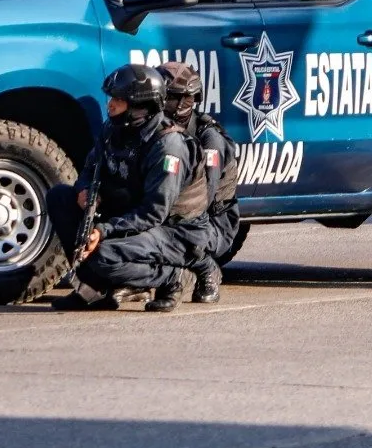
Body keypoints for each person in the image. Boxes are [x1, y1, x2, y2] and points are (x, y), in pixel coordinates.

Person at [48, 64, 209, 312]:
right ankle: (93, 291)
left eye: (119, 100)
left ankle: (171, 276)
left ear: (139, 106)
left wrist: (104, 230)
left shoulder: (168, 146)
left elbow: (155, 212)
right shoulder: (114, 128)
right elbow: (92, 166)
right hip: (131, 214)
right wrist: (85, 190)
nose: (110, 105)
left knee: (103, 255)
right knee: (60, 196)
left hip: (174, 230)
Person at [157, 61, 240, 304]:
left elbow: (205, 197)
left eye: (173, 97)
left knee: (170, 233)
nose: (169, 103)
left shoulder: (208, 137)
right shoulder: (158, 128)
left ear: (190, 99)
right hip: (174, 213)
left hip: (210, 222)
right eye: (166, 96)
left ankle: (207, 272)